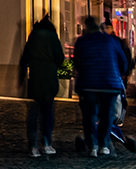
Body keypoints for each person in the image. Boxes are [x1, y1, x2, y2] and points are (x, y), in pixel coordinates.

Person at [73, 15, 128, 157]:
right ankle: (104, 144)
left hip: (88, 83)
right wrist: (119, 75)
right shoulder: (110, 40)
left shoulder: (82, 41)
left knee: (90, 114)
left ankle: (92, 146)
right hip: (109, 82)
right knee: (107, 114)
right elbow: (122, 61)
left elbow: (77, 62)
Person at [20, 16, 63, 156]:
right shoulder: (52, 36)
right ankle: (46, 143)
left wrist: (21, 79)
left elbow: (24, 57)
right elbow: (60, 57)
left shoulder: (33, 36)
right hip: (49, 77)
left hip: (35, 76)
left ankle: (33, 146)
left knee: (33, 113)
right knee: (48, 112)